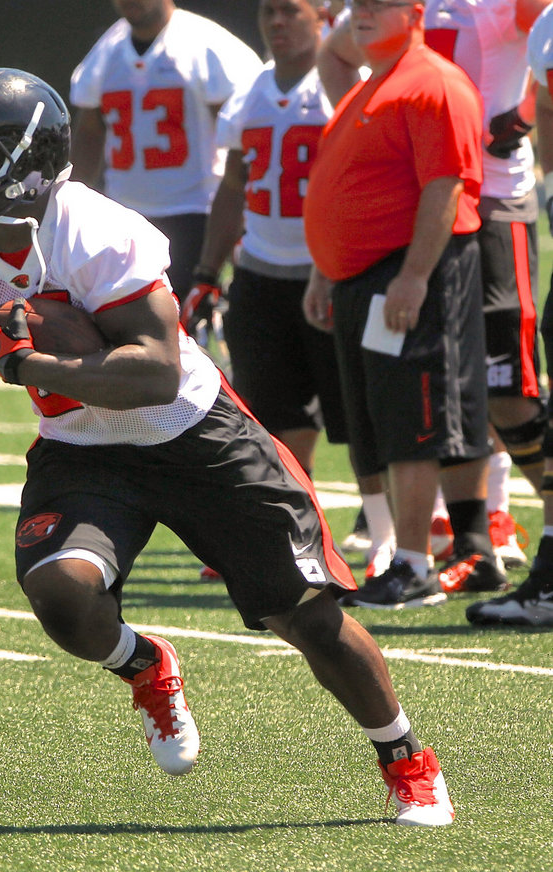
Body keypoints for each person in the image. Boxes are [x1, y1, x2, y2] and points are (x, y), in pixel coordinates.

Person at [0, 67, 454, 825]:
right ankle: (146, 665)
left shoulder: (94, 231)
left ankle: (405, 757)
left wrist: (31, 364)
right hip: (82, 447)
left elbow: (157, 373)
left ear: (28, 160)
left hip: (192, 433)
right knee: (61, 594)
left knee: (308, 619)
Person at [320, 0, 553, 579]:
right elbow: (334, 54)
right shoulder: (391, 10)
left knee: (505, 385)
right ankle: (475, 535)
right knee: (444, 381)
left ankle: (509, 518)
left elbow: (546, 52)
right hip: (422, 206)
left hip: (492, 199)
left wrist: (519, 118)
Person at [192, 0, 396, 581]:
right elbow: (234, 182)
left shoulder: (343, 83)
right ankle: (287, 529)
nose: (277, 23)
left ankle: (384, 536)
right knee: (269, 415)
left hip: (331, 270)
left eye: (291, 12)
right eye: (269, 12)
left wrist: (344, 259)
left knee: (356, 413)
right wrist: (210, 269)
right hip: (260, 271)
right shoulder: (251, 89)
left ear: (322, 17)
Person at [68, 0, 262, 309]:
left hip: (196, 213)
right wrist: (69, 199)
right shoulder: (106, 52)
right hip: (124, 215)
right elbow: (90, 133)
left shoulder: (206, 46)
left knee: (187, 320)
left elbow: (241, 143)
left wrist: (242, 215)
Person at [466, 1, 553, 626]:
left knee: (512, 383)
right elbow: (543, 101)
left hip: (502, 205)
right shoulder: (548, 28)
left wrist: (516, 120)